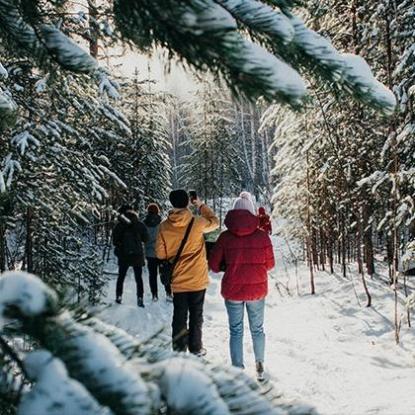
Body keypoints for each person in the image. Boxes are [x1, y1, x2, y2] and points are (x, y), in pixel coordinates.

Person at [209, 192, 275, 381]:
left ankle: (237, 370)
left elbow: (213, 265)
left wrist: (228, 265)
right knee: (257, 329)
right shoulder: (262, 236)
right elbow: (270, 264)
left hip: (233, 291)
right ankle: (260, 364)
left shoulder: (224, 237)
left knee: (236, 330)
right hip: (256, 290)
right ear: (251, 211)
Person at [156, 189, 219, 355]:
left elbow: (160, 254)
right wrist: (200, 204)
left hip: (178, 280)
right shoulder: (197, 222)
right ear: (187, 202)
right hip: (197, 278)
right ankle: (196, 347)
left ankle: (178, 349)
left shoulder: (163, 227)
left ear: (172, 203)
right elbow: (215, 222)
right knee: (196, 315)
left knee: (179, 316)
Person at [113, 204, 149, 308]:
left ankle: (119, 296)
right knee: (139, 278)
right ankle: (140, 298)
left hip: (124, 255)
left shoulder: (119, 225)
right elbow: (146, 239)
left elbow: (115, 241)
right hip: (137, 254)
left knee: (121, 277)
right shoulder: (139, 224)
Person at [144, 203, 172, 302]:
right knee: (165, 273)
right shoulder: (162, 224)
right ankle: (168, 293)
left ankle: (154, 295)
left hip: (149, 253)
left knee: (152, 275)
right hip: (161, 253)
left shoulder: (144, 224)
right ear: (157, 211)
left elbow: (143, 238)